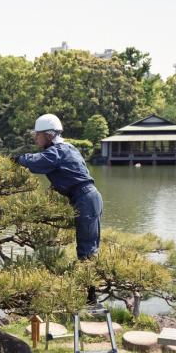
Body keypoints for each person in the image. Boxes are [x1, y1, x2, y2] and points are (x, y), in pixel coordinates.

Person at [12, 113, 103, 303]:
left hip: (85, 199)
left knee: (87, 249)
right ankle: (88, 292)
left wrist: (18, 159)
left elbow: (36, 163)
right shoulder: (67, 148)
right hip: (85, 197)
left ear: (50, 135)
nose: (35, 138)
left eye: (38, 134)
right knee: (87, 246)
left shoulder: (58, 151)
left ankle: (91, 296)